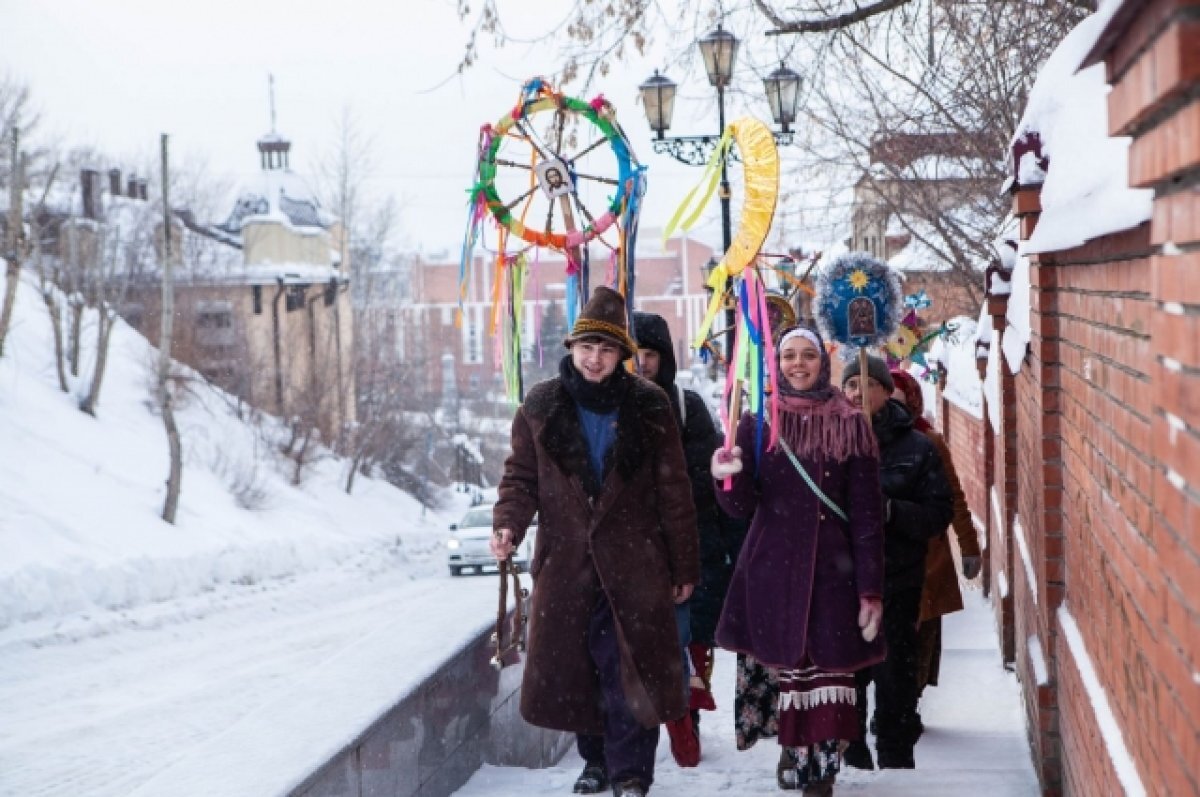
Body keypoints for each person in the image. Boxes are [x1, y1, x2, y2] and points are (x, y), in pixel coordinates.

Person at [490, 287, 699, 797]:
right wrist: (508, 524)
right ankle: (597, 763)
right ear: (572, 348)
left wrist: (684, 566)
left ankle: (631, 772)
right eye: (587, 347)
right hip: (567, 565)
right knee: (579, 670)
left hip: (636, 565)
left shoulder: (649, 405)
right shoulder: (541, 406)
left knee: (629, 670)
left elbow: (674, 490)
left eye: (606, 349)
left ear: (621, 354)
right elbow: (520, 478)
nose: (595, 358)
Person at [710, 324, 887, 796]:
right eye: (789, 356)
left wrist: (870, 589)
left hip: (833, 575)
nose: (798, 365)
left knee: (827, 675)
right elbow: (740, 508)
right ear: (776, 363)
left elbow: (867, 515)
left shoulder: (850, 423)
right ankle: (794, 751)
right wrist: (727, 476)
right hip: (771, 571)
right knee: (786, 674)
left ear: (822, 361)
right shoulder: (758, 423)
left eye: (808, 355)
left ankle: (820, 775)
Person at [630, 311, 746, 768]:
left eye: (650, 354)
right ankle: (641, 732)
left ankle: (686, 723)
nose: (641, 363)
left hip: (690, 545)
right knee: (638, 646)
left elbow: (706, 479)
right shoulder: (613, 407)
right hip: (633, 550)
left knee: (691, 642)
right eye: (633, 354)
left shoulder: (685, 406)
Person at [840, 355, 954, 771]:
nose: (858, 393)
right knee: (846, 678)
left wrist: (890, 511)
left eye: (867, 384)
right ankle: (852, 755)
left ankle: (895, 760)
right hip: (843, 581)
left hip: (898, 581)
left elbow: (938, 513)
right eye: (851, 385)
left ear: (887, 392)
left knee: (895, 682)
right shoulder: (831, 443)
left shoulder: (917, 448)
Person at [889, 369, 982, 701]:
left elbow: (953, 496)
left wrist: (969, 546)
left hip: (928, 556)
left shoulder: (929, 441)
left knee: (921, 633)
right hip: (884, 558)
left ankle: (908, 702)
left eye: (897, 396)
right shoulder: (863, 437)